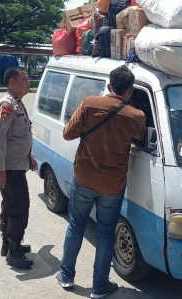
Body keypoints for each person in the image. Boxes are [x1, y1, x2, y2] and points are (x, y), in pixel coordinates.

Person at [55, 66, 145, 299]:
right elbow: (141, 139)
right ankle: (99, 287)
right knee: (106, 234)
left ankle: (66, 276)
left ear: (109, 86)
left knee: (76, 225)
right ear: (131, 90)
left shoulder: (89, 104)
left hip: (84, 178)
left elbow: (67, 133)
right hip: (112, 186)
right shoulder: (136, 116)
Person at [0, 67, 37, 270]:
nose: (28, 82)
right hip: (8, 169)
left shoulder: (17, 103)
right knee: (19, 208)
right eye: (24, 79)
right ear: (12, 83)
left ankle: (8, 243)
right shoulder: (7, 106)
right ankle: (13, 252)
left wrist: (29, 157)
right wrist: (0, 169)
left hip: (17, 166)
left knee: (10, 206)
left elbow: (20, 136)